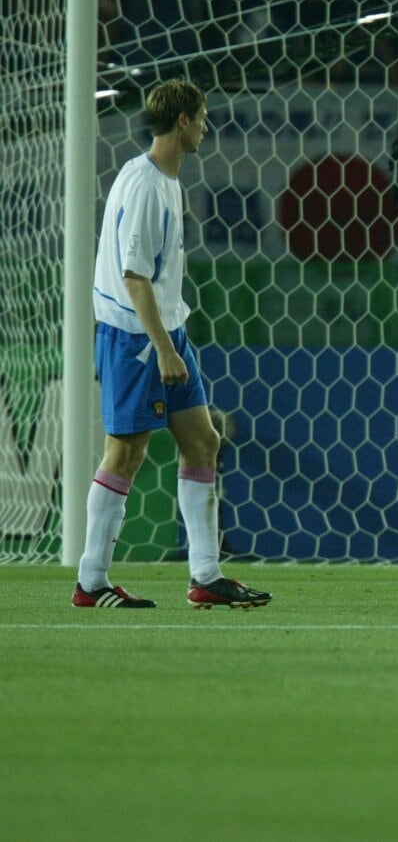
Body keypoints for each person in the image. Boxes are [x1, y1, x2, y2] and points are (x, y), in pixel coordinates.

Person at [76, 79, 271, 610]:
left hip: (164, 331)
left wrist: (171, 339)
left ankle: (206, 575)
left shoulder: (165, 180)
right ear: (183, 120)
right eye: (203, 117)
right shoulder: (144, 184)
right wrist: (164, 348)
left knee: (203, 442)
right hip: (137, 338)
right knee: (126, 452)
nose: (207, 126)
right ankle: (90, 581)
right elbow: (134, 276)